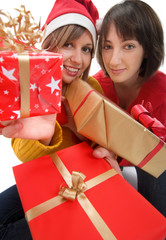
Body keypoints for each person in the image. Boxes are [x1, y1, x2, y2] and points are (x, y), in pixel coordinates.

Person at [0, 0, 122, 239]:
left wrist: (87, 136)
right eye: (69, 44)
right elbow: (22, 152)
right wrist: (46, 135)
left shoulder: (92, 88)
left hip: (81, 184)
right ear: (50, 44)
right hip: (42, 179)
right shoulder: (30, 85)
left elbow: (109, 146)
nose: (78, 59)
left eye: (86, 49)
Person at [93, 0, 166, 216]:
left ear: (147, 49)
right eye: (107, 46)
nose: (114, 60)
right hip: (100, 193)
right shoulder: (91, 90)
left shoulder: (163, 92)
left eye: (129, 46)